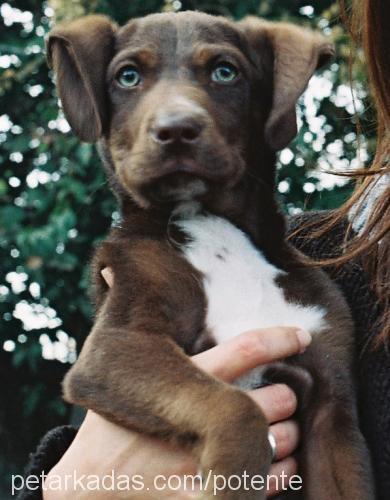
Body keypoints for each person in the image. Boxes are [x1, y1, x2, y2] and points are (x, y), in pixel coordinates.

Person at [17, 0, 389, 498]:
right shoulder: (149, 264)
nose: (175, 114)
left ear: (273, 106)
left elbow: (334, 437)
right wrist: (68, 488)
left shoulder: (322, 285)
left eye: (224, 72)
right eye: (129, 76)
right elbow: (104, 368)